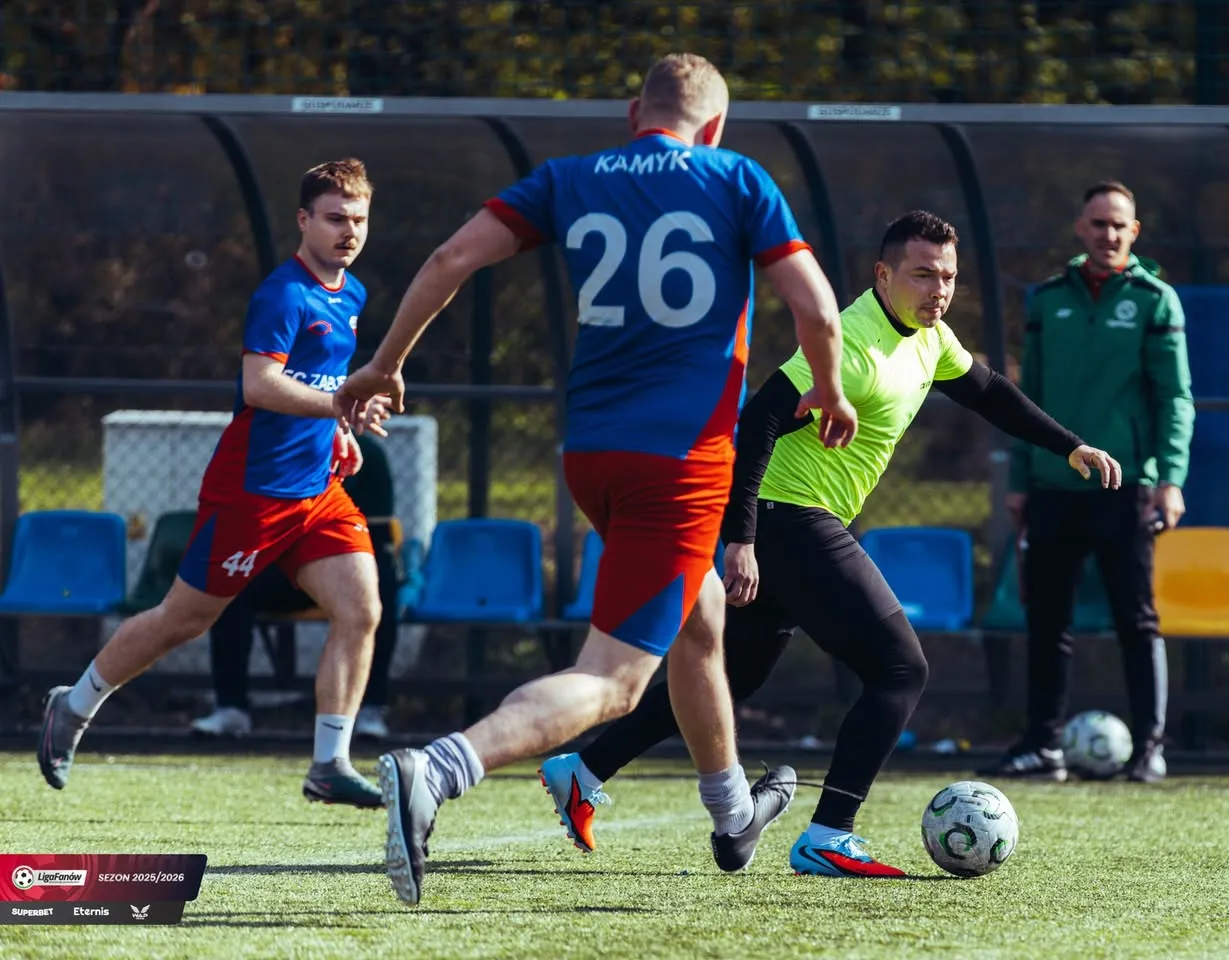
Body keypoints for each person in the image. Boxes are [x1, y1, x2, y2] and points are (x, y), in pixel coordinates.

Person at [334, 53, 858, 905]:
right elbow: (818, 310)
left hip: (593, 455)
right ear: (715, 127)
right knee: (615, 680)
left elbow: (450, 257)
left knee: (701, 616)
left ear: (632, 114)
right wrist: (830, 391)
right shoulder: (738, 178)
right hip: (680, 464)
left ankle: (733, 812)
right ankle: (440, 769)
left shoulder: (568, 178)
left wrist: (385, 363)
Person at [539, 210, 1121, 877]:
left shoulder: (930, 338)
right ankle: (829, 834)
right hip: (789, 518)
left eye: (948, 277)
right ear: (883, 275)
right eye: (923, 274)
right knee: (900, 669)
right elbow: (758, 421)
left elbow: (989, 393)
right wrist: (741, 539)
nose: (939, 289)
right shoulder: (850, 342)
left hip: (798, 522)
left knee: (734, 676)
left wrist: (1070, 446)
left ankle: (585, 770)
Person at [37, 159, 395, 808]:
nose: (349, 232)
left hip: (317, 492)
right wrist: (340, 405)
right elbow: (261, 385)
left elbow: (320, 384)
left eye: (359, 220)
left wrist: (339, 431)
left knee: (361, 608)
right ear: (304, 220)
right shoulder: (284, 295)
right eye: (335, 218)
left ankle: (329, 763)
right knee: (183, 620)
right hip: (254, 491)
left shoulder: (354, 294)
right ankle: (75, 704)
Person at [987, 179, 1194, 785]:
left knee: (1136, 618)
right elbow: (1027, 401)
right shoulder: (1048, 300)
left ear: (1135, 232)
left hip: (1124, 488)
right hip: (1052, 485)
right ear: (1080, 229)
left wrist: (1170, 479)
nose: (1108, 234)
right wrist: (1021, 477)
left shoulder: (1156, 301)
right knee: (1047, 621)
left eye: (1118, 225)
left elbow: (1175, 398)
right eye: (1097, 224)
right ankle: (1042, 746)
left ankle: (1149, 747)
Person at [190, 431, 401, 741]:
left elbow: (378, 536)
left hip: (345, 569)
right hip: (287, 568)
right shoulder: (275, 447)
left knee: (380, 595)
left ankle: (370, 708)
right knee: (233, 588)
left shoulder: (369, 454)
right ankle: (231, 707)